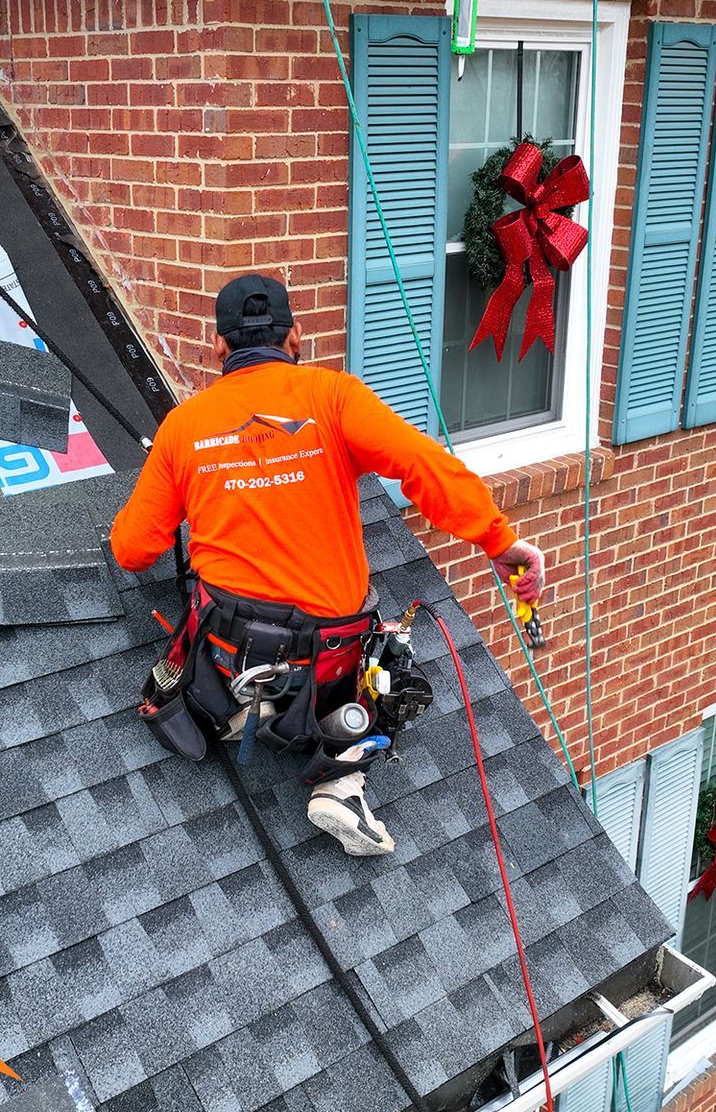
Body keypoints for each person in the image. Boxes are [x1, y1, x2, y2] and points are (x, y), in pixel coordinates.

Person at [110, 272, 545, 856]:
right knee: (387, 664)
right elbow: (424, 466)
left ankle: (237, 708)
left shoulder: (183, 427)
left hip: (227, 648)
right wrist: (500, 542)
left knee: (214, 628)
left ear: (219, 346)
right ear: (294, 337)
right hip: (326, 658)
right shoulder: (333, 396)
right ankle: (340, 781)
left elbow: (132, 551)